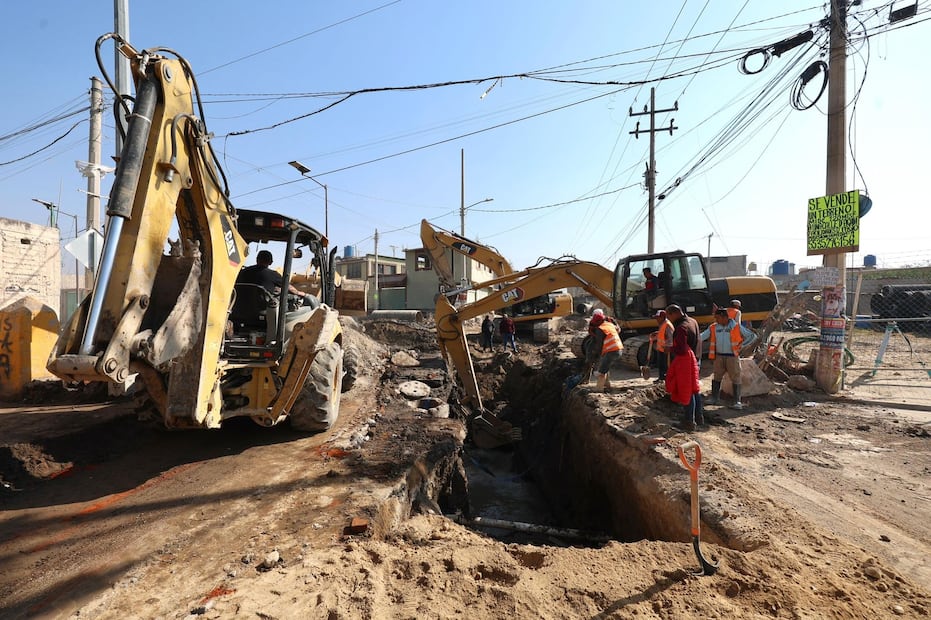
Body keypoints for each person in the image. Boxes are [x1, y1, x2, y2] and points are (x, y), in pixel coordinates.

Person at [700, 308, 757, 410]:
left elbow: (752, 336)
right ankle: (714, 398)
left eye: (717, 317)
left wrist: (742, 346)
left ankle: (737, 401)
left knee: (735, 377)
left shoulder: (736, 326)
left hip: (732, 357)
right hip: (719, 356)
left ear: (724, 317)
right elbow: (702, 336)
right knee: (717, 377)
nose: (715, 319)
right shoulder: (713, 327)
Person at [664, 304, 703, 429]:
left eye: (668, 316)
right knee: (695, 389)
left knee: (687, 390)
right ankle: (698, 417)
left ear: (673, 314)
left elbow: (681, 349)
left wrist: (669, 349)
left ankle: (689, 421)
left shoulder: (681, 327)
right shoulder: (692, 321)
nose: (668, 320)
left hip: (686, 362)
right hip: (695, 358)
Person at [590, 313, 623, 392]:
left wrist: (596, 354)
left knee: (602, 370)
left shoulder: (600, 329)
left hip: (611, 350)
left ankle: (599, 389)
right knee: (605, 366)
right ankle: (607, 385)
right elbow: (618, 330)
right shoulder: (609, 324)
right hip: (619, 349)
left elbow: (599, 344)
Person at [650, 309, 673, 382]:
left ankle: (667, 379)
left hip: (666, 349)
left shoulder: (667, 325)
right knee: (661, 365)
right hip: (661, 349)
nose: (656, 319)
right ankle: (661, 378)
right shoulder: (662, 324)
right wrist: (657, 333)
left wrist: (668, 347)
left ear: (663, 317)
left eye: (658, 318)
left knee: (666, 366)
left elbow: (670, 337)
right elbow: (663, 334)